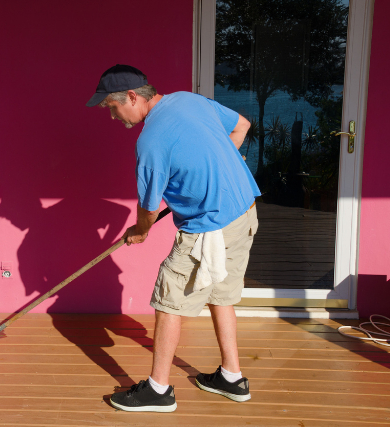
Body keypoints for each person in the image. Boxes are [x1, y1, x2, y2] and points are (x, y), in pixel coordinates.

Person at [86, 64, 260, 413]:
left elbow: (149, 206)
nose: (113, 117)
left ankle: (159, 390)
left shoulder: (150, 141)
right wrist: (218, 164)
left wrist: (140, 231)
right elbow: (242, 126)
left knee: (168, 301)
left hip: (208, 228)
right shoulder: (189, 100)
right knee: (220, 292)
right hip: (244, 213)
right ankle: (232, 377)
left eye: (112, 107)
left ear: (132, 97)